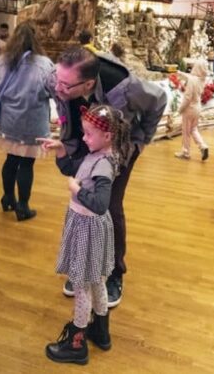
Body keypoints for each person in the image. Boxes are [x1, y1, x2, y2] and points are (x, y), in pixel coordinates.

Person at [50, 46, 166, 307]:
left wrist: (142, 140)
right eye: (57, 80)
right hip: (84, 141)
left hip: (117, 149)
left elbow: (158, 99)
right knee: (80, 206)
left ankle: (115, 273)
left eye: (65, 85)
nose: (57, 88)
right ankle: (82, 267)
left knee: (109, 206)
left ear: (89, 84)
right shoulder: (60, 77)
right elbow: (59, 96)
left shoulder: (124, 86)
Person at [39, 104, 130, 365]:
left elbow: (100, 203)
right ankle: (100, 330)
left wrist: (77, 191)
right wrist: (60, 150)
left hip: (87, 228)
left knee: (81, 284)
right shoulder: (97, 154)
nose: (83, 137)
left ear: (107, 136)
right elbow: (74, 169)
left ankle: (76, 344)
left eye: (89, 134)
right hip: (87, 226)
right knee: (96, 280)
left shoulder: (103, 164)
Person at [0, 23, 54, 221]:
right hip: (33, 121)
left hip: (9, 120)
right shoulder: (44, 64)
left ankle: (8, 197)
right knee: (27, 163)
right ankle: (23, 206)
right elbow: (52, 89)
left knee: (11, 160)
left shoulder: (1, 61)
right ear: (35, 39)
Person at [174, 62, 210, 161]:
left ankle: (185, 152)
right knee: (194, 129)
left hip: (189, 108)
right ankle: (203, 146)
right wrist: (180, 73)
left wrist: (180, 109)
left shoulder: (192, 80)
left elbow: (187, 97)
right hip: (197, 107)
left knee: (186, 131)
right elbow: (191, 77)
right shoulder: (202, 79)